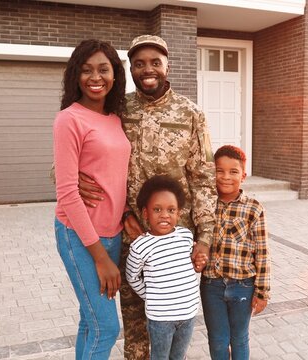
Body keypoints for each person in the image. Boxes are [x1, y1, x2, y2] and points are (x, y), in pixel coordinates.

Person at [79, 34, 217, 359]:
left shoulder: (191, 114)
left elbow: (204, 178)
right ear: (131, 68)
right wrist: (70, 177)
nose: (147, 69)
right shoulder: (115, 109)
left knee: (172, 323)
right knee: (135, 326)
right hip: (128, 237)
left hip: (175, 242)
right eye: (139, 63)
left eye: (155, 62)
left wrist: (205, 238)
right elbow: (77, 149)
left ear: (167, 65)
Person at [52, 39, 129, 359]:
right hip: (80, 237)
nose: (95, 77)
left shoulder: (115, 118)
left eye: (103, 69)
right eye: (86, 70)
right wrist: (100, 257)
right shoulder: (69, 119)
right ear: (75, 76)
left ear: (114, 75)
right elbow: (68, 192)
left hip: (114, 233)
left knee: (91, 321)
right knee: (107, 328)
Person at [201, 145, 270, 360]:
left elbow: (263, 253)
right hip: (211, 285)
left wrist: (262, 292)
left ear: (244, 176)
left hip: (243, 287)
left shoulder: (254, 208)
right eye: (219, 171)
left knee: (239, 338)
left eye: (233, 172)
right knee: (218, 339)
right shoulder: (205, 205)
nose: (225, 177)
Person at [125, 175, 200, 360]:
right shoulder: (140, 246)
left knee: (179, 356)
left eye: (171, 210)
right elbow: (132, 276)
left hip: (189, 313)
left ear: (178, 213)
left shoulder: (185, 235)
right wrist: (150, 294)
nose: (165, 215)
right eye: (157, 209)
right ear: (145, 213)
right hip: (161, 319)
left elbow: (186, 266)